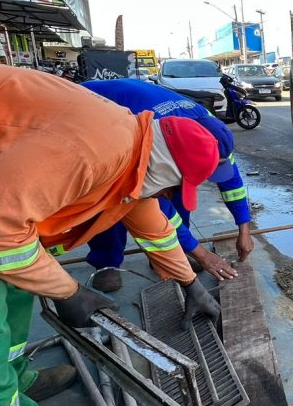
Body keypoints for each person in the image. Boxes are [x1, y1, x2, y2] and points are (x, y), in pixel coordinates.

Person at [0, 63, 223, 406]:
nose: (168, 197)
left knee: (18, 282)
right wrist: (69, 292)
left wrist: (189, 284)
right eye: (172, 187)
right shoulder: (92, 150)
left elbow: (156, 230)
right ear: (163, 170)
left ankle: (13, 378)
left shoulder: (131, 151)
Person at [81, 79, 254, 290]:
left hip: (141, 104)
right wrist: (203, 254)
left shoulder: (215, 131)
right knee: (115, 198)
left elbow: (232, 183)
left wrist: (244, 230)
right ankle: (106, 264)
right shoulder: (162, 137)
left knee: (180, 190)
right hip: (95, 110)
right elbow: (158, 207)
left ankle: (173, 253)